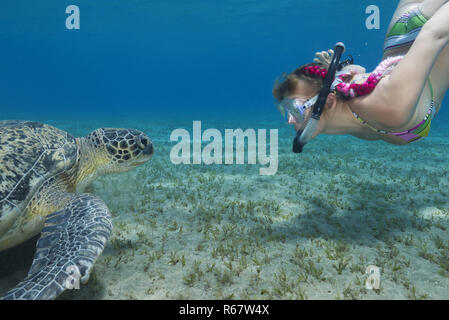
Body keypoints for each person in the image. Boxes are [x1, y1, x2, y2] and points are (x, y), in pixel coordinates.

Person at [273, 0, 449, 147]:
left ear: (328, 100)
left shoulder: (386, 107)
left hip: (431, 33)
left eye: (295, 109)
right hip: (400, 36)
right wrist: (338, 72)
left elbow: (434, 35)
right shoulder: (350, 108)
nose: (289, 120)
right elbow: (360, 72)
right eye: (285, 110)